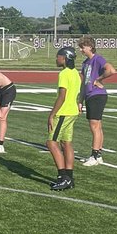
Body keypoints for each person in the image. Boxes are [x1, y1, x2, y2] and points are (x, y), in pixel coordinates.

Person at [46, 46, 81, 191]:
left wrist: (52, 114)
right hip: (73, 112)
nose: (56, 59)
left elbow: (62, 96)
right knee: (67, 143)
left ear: (64, 58)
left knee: (51, 143)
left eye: (58, 56)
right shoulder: (76, 74)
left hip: (63, 112)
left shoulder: (64, 74)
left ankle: (63, 177)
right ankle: (70, 177)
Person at [78, 36, 116, 166]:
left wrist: (99, 79)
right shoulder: (85, 64)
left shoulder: (97, 59)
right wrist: (80, 100)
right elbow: (83, 84)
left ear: (90, 46)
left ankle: (94, 155)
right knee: (97, 126)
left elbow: (111, 70)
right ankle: (98, 154)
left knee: (94, 125)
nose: (81, 50)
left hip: (97, 95)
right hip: (89, 95)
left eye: (82, 47)